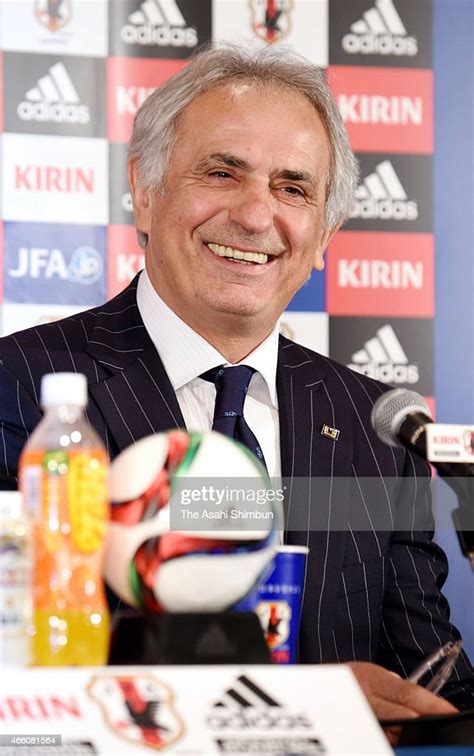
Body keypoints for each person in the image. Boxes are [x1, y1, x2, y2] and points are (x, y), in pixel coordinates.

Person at [0, 44, 472, 723]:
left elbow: (430, 686)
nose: (255, 216)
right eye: (222, 173)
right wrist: (299, 705)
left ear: (323, 236)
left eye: (293, 188)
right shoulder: (16, 388)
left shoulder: (377, 427)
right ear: (142, 188)